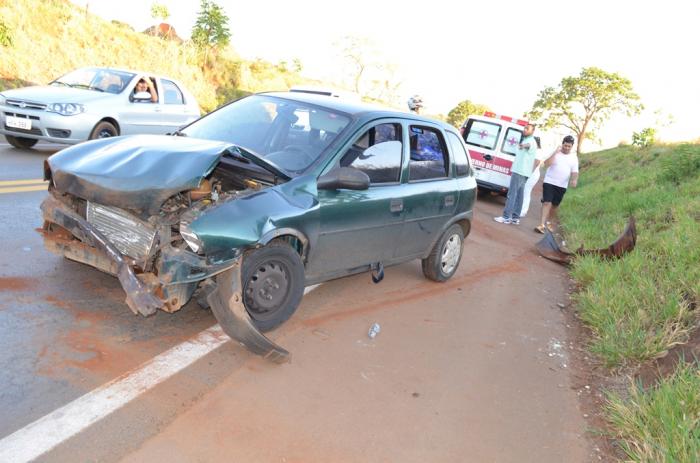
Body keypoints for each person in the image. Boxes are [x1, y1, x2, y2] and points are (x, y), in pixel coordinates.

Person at [494, 123, 538, 225]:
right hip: (523, 172)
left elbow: (528, 146)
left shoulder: (530, 141)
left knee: (512, 194)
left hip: (519, 171)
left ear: (532, 131)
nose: (525, 130)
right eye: (525, 128)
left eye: (527, 129)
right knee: (519, 195)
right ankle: (515, 218)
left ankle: (505, 217)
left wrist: (522, 145)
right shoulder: (527, 139)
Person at [535, 135, 579, 234]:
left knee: (555, 205)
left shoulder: (573, 157)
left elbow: (575, 171)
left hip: (562, 185)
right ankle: (541, 224)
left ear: (572, 147)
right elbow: (546, 164)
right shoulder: (556, 153)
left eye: (569, 146)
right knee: (547, 202)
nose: (566, 148)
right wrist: (555, 152)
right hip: (549, 181)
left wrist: (574, 179)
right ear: (562, 144)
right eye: (565, 145)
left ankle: (549, 222)